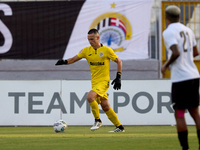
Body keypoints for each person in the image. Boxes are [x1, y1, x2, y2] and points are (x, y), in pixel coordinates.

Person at [55, 28, 125, 132]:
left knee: (90, 97)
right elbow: (73, 59)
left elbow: (119, 61)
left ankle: (97, 120)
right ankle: (120, 127)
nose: (90, 41)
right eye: (88, 39)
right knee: (105, 106)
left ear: (98, 38)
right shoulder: (86, 51)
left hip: (104, 81)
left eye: (92, 39)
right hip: (94, 82)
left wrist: (118, 77)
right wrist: (64, 62)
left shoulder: (107, 50)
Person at [161, 5, 200, 150]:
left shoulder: (168, 31)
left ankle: (185, 148)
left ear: (166, 17)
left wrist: (166, 65)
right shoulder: (188, 30)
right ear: (179, 16)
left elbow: (176, 52)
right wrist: (187, 57)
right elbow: (195, 51)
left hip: (181, 78)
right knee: (195, 112)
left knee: (179, 113)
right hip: (194, 75)